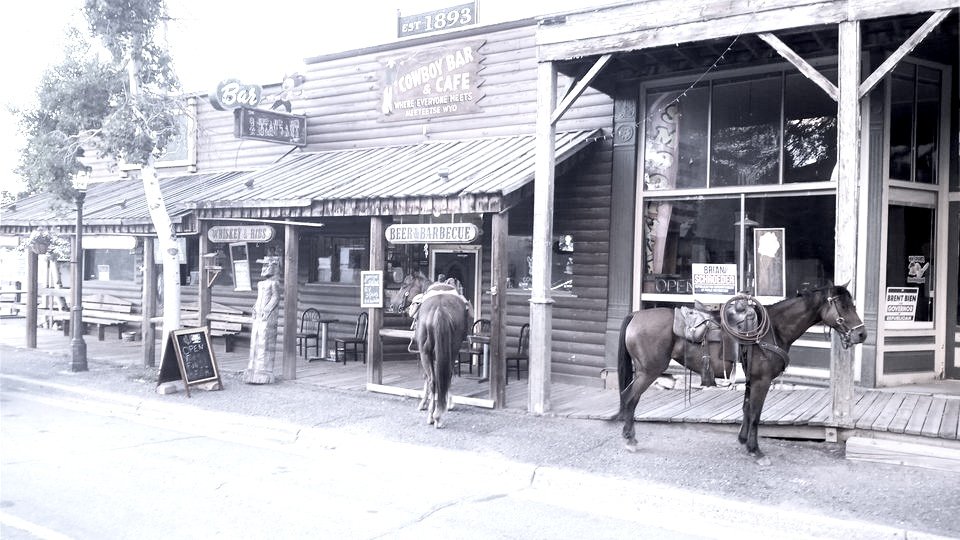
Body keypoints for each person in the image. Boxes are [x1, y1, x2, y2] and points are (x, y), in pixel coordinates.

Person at [243, 257, 281, 384]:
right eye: (263, 266)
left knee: (264, 341)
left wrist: (267, 310)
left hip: (266, 315)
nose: (263, 269)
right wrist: (255, 307)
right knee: (255, 339)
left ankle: (263, 368)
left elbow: (275, 298)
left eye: (266, 266)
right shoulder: (261, 284)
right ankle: (253, 367)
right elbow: (259, 298)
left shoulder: (274, 283)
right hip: (258, 315)